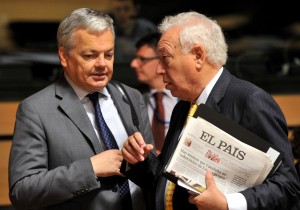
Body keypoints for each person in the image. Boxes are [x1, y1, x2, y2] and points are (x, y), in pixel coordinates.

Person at [121, 11, 300, 210]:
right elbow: (170, 182)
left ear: (198, 56)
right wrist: (140, 161)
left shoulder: (250, 101)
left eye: (165, 58)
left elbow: (288, 187)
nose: (159, 69)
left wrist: (228, 204)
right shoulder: (183, 106)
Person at [8, 8, 155, 210]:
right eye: (90, 55)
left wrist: (142, 162)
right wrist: (91, 168)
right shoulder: (36, 110)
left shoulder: (131, 97)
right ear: (64, 56)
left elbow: (152, 175)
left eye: (109, 54)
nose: (102, 64)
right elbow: (23, 192)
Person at [130, 33, 178, 155]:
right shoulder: (132, 99)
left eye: (142, 59)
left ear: (162, 60)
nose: (134, 64)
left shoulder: (188, 98)